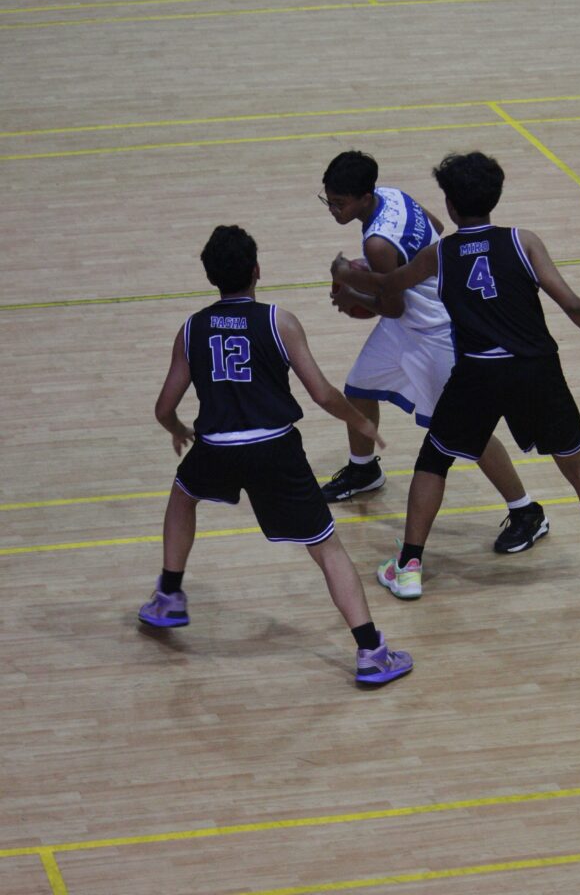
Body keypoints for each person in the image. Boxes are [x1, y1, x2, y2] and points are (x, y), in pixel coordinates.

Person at [331, 152, 580, 609]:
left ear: (450, 204)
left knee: (433, 462)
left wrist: (345, 274)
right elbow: (572, 304)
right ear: (495, 196)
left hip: (478, 372)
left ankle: (408, 567)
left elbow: (390, 288)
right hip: (536, 369)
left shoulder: (439, 254)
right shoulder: (524, 241)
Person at [137, 224, 413, 685]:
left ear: (211, 277)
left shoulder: (192, 328)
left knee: (183, 496)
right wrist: (361, 422)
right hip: (274, 449)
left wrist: (177, 429)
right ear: (257, 270)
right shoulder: (278, 322)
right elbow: (322, 393)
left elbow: (164, 407)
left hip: (217, 447)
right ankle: (370, 651)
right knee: (326, 547)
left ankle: (168, 595)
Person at [318, 150, 549, 598]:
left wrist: (353, 291)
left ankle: (527, 511)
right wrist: (386, 274)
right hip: (407, 327)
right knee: (359, 387)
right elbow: (438, 229)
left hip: (435, 333)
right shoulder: (394, 196)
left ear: (364, 197)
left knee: (469, 430)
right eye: (328, 200)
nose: (333, 210)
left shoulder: (377, 244)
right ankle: (364, 471)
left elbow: (391, 305)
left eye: (339, 203)